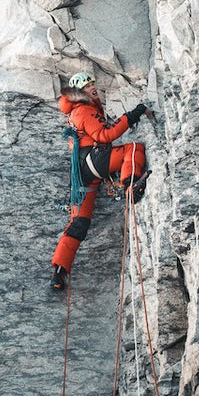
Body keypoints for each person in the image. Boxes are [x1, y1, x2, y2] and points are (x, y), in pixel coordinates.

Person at [50, 72, 150, 291]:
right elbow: (105, 136)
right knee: (134, 149)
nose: (93, 87)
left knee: (79, 223)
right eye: (88, 86)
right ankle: (130, 184)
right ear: (79, 93)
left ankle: (59, 271)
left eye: (93, 83)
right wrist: (132, 116)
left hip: (83, 173)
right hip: (93, 161)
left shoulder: (77, 111)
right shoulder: (84, 110)